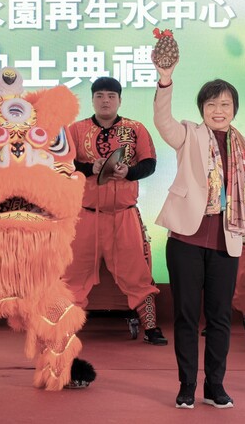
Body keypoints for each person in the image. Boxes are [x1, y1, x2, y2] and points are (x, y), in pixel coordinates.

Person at [152, 56, 245, 409]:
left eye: (225, 104)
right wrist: (165, 80)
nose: (218, 110)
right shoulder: (188, 134)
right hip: (186, 238)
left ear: (234, 109)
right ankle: (186, 385)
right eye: (211, 104)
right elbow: (162, 121)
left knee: (220, 317)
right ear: (202, 109)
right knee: (185, 314)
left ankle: (215, 386)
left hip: (227, 239)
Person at [62, 77, 167, 346]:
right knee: (73, 274)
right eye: (99, 95)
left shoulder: (135, 129)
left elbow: (150, 164)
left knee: (137, 273)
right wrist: (90, 168)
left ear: (120, 100)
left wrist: (129, 172)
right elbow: (62, 163)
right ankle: (63, 328)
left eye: (111, 95)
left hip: (124, 214)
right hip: (86, 215)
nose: (105, 100)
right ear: (92, 100)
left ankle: (150, 326)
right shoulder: (75, 130)